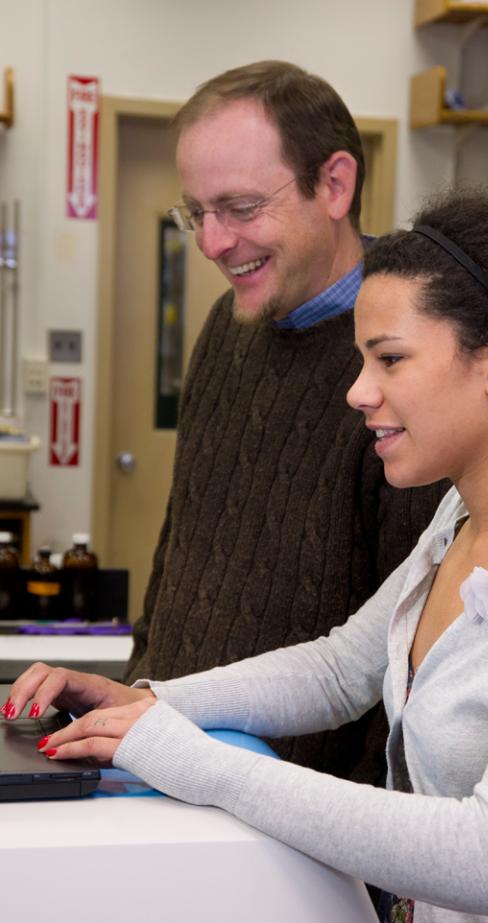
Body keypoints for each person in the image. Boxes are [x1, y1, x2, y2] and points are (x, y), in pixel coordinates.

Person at [6, 189, 488, 922]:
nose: (358, 390)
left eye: (390, 359)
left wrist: (193, 759)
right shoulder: (460, 515)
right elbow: (344, 665)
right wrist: (153, 702)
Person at [122, 60, 447, 783]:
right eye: (196, 212)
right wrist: (135, 691)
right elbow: (182, 539)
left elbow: (408, 655)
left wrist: (350, 874)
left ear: (334, 185)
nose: (210, 243)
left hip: (300, 819)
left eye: (239, 208)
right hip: (170, 759)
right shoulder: (226, 325)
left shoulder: (410, 370)